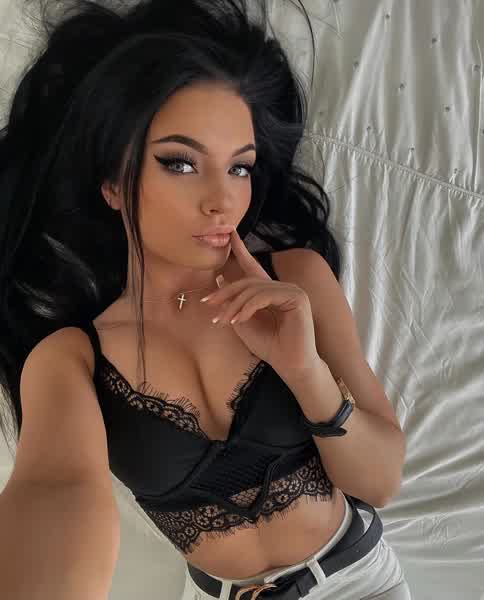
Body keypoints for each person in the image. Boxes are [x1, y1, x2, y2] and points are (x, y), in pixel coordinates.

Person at [0, 0, 411, 598]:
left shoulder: (296, 280)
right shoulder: (72, 358)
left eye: (240, 168)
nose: (223, 200)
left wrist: (305, 371)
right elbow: (53, 489)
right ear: (111, 182)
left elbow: (380, 483)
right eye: (181, 163)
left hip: (359, 581)